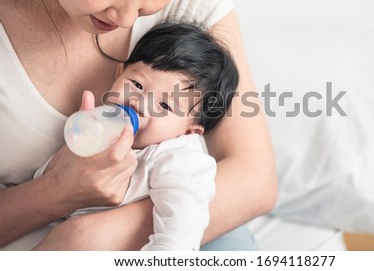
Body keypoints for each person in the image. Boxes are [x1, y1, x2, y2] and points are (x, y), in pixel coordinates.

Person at [0, 0, 277, 250]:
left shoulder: (175, 160)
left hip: (193, 229)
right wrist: (57, 190)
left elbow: (254, 182)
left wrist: (83, 240)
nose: (127, 18)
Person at [33, 21, 240, 251]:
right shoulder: (98, 126)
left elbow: (178, 237)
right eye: (137, 84)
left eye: (164, 105)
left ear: (189, 130)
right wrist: (72, 153)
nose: (139, 102)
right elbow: (42, 183)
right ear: (119, 73)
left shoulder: (177, 159)